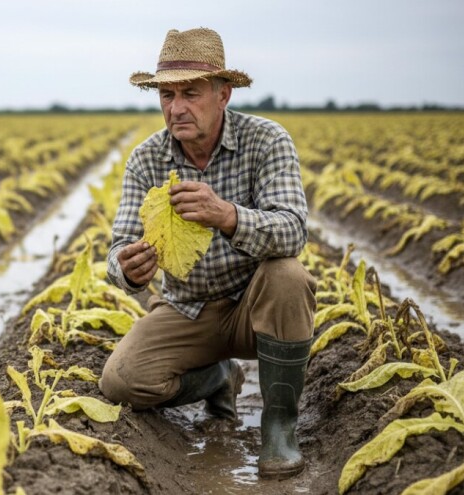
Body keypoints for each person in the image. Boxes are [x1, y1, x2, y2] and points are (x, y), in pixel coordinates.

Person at [98, 27, 317, 479]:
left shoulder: (266, 141)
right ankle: (219, 377)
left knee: (289, 275)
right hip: (187, 307)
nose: (175, 107)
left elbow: (294, 229)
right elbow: (118, 245)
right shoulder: (147, 159)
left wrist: (228, 216)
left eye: (190, 93)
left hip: (256, 307)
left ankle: (279, 428)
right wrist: (127, 269)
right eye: (166, 95)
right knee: (120, 382)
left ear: (223, 94)